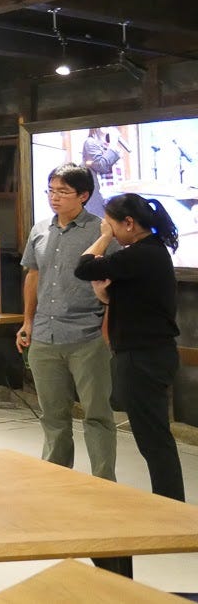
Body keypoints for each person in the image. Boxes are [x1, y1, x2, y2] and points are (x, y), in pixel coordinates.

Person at [75, 193, 185, 501]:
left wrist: (102, 239)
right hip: (145, 354)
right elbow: (127, 299)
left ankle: (170, 504)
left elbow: (83, 267)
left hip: (144, 357)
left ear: (129, 223)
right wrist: (104, 295)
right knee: (152, 437)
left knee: (154, 439)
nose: (108, 232)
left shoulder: (142, 253)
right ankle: (168, 501)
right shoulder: (147, 252)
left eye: (110, 225)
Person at [17, 163, 117, 483]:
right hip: (44, 335)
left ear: (84, 195)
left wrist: (106, 331)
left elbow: (117, 284)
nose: (54, 197)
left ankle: (103, 483)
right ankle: (56, 480)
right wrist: (27, 321)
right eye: (51, 190)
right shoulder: (40, 229)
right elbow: (33, 275)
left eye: (63, 191)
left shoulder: (102, 232)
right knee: (52, 416)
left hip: (87, 336)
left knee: (97, 415)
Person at [81, 128, 120, 217]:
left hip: (110, 198)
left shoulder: (108, 147)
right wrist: (113, 144)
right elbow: (101, 165)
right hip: (97, 202)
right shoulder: (90, 142)